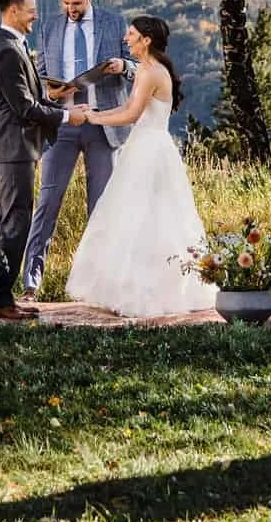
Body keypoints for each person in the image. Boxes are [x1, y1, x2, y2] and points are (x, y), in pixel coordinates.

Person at [69, 16, 218, 318]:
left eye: (132, 34)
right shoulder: (148, 69)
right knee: (137, 215)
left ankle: (149, 290)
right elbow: (126, 108)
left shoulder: (150, 72)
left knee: (147, 216)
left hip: (149, 150)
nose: (126, 39)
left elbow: (131, 114)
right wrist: (95, 113)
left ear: (146, 40)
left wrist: (92, 118)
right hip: (145, 146)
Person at [0, 0, 87, 320]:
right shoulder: (8, 51)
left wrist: (54, 98)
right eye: (30, 10)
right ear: (13, 11)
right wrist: (68, 116)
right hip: (14, 148)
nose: (35, 16)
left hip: (17, 147)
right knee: (14, 222)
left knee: (9, 220)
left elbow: (30, 98)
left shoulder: (14, 46)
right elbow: (24, 107)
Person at [23, 0, 133, 295]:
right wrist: (51, 92)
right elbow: (40, 77)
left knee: (101, 208)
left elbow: (139, 67)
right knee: (47, 202)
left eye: (77, 4)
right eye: (66, 3)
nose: (71, 9)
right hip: (63, 124)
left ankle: (101, 283)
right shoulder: (50, 28)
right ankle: (31, 281)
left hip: (103, 124)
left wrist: (123, 67)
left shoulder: (114, 23)